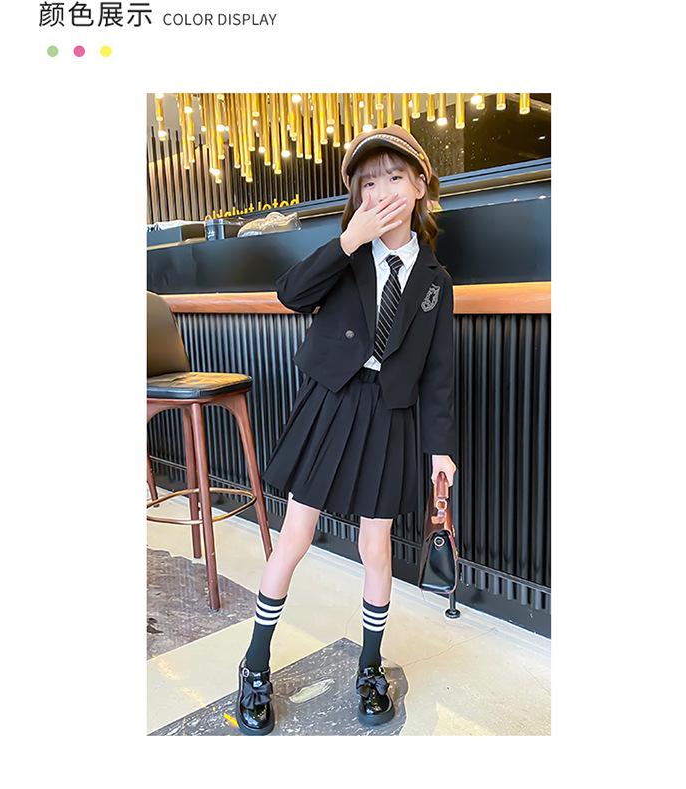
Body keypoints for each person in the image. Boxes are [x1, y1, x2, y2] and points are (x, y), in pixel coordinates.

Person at [235, 124, 457, 735]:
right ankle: (255, 663)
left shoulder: (435, 279)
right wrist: (348, 240)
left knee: (375, 546)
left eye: (394, 177)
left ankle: (369, 667)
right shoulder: (347, 253)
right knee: (296, 535)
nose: (381, 192)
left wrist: (441, 450)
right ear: (356, 196)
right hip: (330, 405)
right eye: (368, 183)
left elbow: (439, 372)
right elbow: (290, 293)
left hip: (392, 415)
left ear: (420, 185)